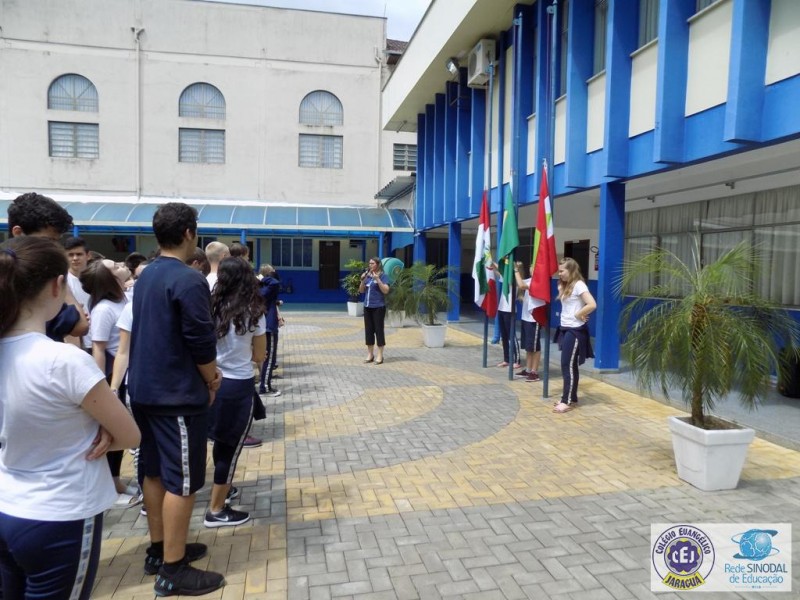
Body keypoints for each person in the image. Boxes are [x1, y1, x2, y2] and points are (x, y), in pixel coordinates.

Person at [0, 236, 140, 599]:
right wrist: (102, 428)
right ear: (58, 285)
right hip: (61, 511)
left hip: (7, 504)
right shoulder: (64, 361)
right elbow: (130, 435)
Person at [128, 202, 225, 596]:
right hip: (177, 396)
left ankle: (160, 549)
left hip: (144, 390)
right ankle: (173, 570)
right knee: (183, 481)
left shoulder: (146, 275)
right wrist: (212, 378)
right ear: (188, 233)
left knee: (153, 472)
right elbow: (200, 339)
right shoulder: (188, 279)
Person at [205, 258, 266, 527]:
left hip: (211, 381)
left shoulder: (210, 307)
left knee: (220, 441)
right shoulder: (254, 311)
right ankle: (216, 509)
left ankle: (224, 490)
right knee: (230, 449)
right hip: (238, 384)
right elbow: (259, 355)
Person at [80, 258, 138, 506]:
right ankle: (111, 484)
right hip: (116, 374)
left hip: (127, 371)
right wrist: (103, 385)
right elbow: (99, 349)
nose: (122, 265)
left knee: (118, 432)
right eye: (116, 266)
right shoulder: (104, 309)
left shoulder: (123, 298)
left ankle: (115, 480)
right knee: (112, 431)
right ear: (110, 279)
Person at [4, 192, 89, 342]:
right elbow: (81, 325)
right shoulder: (36, 277)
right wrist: (64, 289)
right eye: (48, 241)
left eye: (57, 241)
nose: (54, 248)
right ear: (18, 232)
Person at [552, 257, 597, 413]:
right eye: (559, 271)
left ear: (571, 270)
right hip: (565, 328)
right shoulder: (562, 285)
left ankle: (567, 400)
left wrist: (579, 314)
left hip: (575, 330)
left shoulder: (579, 285)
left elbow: (592, 304)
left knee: (567, 365)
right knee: (570, 365)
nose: (559, 274)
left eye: (562, 271)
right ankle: (572, 397)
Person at [514, 261, 542, 383]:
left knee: (535, 347)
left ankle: (534, 372)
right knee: (528, 347)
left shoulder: (538, 281)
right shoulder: (530, 280)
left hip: (533, 319)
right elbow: (518, 282)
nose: (531, 268)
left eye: (533, 267)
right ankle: (528, 369)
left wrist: (515, 270)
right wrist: (517, 269)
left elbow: (521, 285)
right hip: (526, 318)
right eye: (531, 266)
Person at [359, 257, 390, 364]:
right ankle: (370, 354)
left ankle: (380, 355)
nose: (370, 265)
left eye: (372, 263)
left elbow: (386, 290)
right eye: (369, 263)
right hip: (367, 307)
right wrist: (362, 280)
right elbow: (361, 291)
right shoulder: (368, 276)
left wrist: (378, 280)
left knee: (379, 330)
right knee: (369, 331)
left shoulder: (383, 276)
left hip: (378, 307)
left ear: (378, 264)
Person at [64, 236, 93, 351]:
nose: (75, 258)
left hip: (98, 338)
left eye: (79, 254)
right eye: (70, 255)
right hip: (77, 342)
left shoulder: (96, 279)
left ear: (88, 255)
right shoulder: (63, 282)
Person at [490, 261, 521, 369]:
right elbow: (500, 272)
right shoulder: (506, 277)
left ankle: (517, 360)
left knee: (511, 335)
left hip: (510, 310)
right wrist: (492, 263)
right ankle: (507, 359)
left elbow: (502, 271)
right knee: (504, 336)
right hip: (502, 309)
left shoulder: (515, 280)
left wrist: (494, 263)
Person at [258, 264, 282, 397]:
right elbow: (275, 282)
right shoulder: (267, 286)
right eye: (273, 271)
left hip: (266, 325)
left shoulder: (263, 288)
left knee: (269, 358)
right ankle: (265, 387)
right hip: (269, 326)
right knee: (270, 358)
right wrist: (263, 278)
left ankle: (266, 385)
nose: (275, 273)